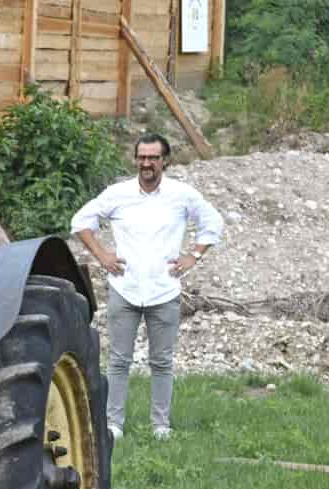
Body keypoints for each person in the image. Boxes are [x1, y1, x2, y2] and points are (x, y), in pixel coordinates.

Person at [71, 133, 224, 441]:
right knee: (118, 360)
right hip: (124, 289)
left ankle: (160, 425)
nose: (146, 163)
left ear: (164, 160)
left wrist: (192, 256)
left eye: (153, 157)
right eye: (142, 157)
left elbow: (213, 223)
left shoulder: (181, 195)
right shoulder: (118, 194)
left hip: (164, 290)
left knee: (162, 362)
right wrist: (102, 255)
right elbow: (80, 222)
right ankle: (113, 425)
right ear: (136, 159)